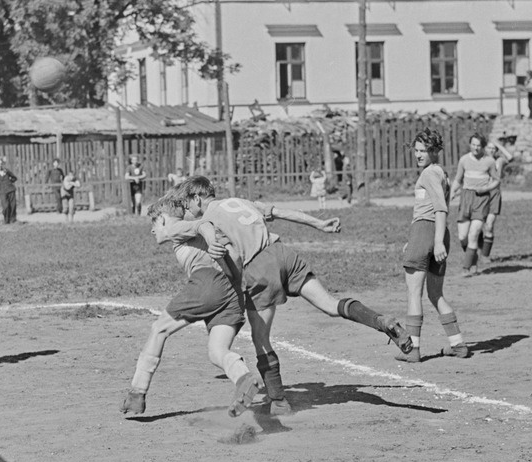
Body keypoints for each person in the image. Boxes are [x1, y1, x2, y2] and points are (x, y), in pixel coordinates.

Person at [171, 176, 413, 415]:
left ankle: (278, 402)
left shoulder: (209, 219)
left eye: (188, 205)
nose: (189, 211)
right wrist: (319, 224)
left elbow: (229, 256)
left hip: (259, 268)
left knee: (260, 338)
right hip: (283, 253)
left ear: (197, 198)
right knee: (330, 303)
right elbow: (281, 212)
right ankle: (381, 321)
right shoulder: (239, 201)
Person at [120, 195, 260, 418]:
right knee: (217, 352)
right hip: (233, 293)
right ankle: (244, 378)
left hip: (209, 283)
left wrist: (212, 241)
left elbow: (202, 224)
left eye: (153, 223)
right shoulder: (188, 232)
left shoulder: (176, 227)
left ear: (163, 220)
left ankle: (137, 392)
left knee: (159, 329)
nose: (152, 231)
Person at [398, 129, 470, 363]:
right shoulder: (442, 173)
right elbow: (432, 208)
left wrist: (432, 240)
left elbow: (440, 208)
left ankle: (413, 350)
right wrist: (433, 239)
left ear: (435, 151)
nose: (418, 155)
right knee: (435, 293)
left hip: (428, 232)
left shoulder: (429, 173)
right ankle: (457, 344)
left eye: (424, 150)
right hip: (435, 233)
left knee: (413, 293)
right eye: (416, 150)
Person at [450, 134, 500, 276]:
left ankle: (467, 268)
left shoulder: (489, 161)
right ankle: (473, 257)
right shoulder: (464, 160)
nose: (476, 148)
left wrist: (486, 189)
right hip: (466, 199)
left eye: (478, 145)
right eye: (473, 144)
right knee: (462, 236)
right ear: (470, 145)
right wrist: (453, 191)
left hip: (481, 199)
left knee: (473, 234)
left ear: (482, 146)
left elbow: (497, 180)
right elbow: (458, 179)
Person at [480, 140, 514, 262]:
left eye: (494, 148)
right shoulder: (480, 160)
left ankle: (485, 256)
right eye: (489, 148)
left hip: (494, 194)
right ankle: (477, 250)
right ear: (485, 149)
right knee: (478, 225)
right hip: (481, 194)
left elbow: (511, 157)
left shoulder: (500, 161)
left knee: (489, 225)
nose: (492, 150)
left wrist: (499, 144)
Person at [0, 157, 18, 224]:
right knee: (5, 206)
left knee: (13, 205)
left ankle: (13, 220)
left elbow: (14, 178)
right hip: (2, 191)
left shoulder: (6, 171)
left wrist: (10, 180)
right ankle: (6, 220)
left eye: (1, 164)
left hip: (10, 189)